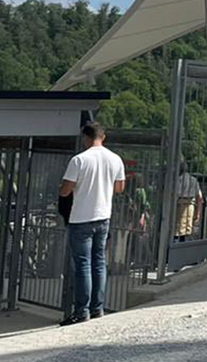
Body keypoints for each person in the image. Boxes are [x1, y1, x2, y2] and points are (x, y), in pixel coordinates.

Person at [59, 122, 125, 326]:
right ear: (103, 137)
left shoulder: (79, 160)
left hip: (81, 218)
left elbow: (65, 190)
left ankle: (81, 311)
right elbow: (120, 188)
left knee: (83, 265)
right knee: (99, 263)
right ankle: (98, 308)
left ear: (85, 138)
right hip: (104, 216)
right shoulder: (115, 159)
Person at [173, 163, 203, 242]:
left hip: (180, 204)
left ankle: (176, 245)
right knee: (188, 228)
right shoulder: (193, 180)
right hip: (191, 205)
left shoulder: (178, 180)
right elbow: (199, 197)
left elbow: (176, 193)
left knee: (177, 228)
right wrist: (198, 213)